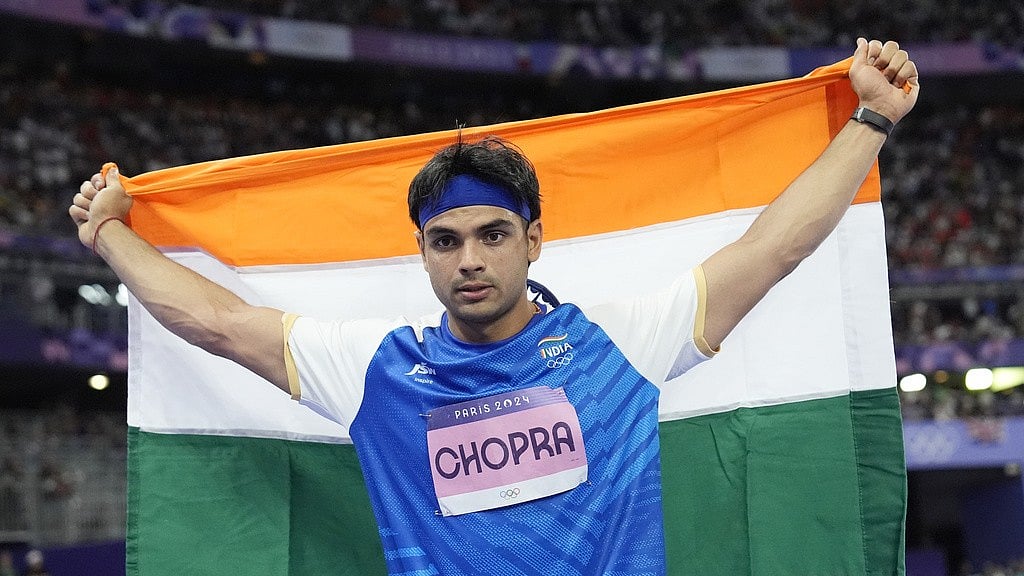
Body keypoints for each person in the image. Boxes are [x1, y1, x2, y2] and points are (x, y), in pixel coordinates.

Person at [70, 38, 918, 575]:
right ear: (423, 254)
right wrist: (110, 236)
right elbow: (214, 323)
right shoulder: (379, 369)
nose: (470, 259)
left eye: (492, 235)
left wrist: (871, 120)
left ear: (534, 241)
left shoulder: (618, 343)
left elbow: (774, 250)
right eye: (446, 241)